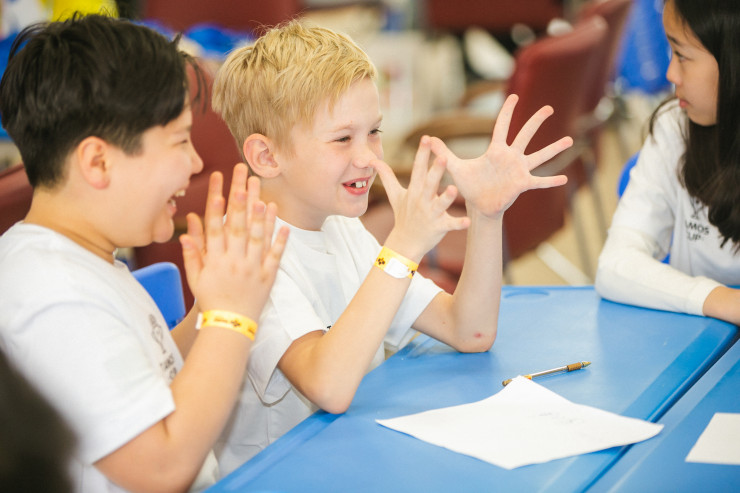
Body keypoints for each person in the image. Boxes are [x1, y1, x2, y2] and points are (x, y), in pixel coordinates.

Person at [210, 20, 571, 473]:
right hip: (281, 475)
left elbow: (469, 330)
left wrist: (485, 214)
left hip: (346, 457)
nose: (369, 157)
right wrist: (402, 248)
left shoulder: (338, 226)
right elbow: (328, 386)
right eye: (343, 139)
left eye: (374, 131)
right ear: (267, 156)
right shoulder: (248, 250)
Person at [0, 14, 288, 493]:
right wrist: (232, 317)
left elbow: (143, 374)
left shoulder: (81, 260)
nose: (196, 162)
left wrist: (208, 312)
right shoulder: (55, 298)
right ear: (97, 162)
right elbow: (161, 468)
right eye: (180, 141)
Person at [595, 0, 740, 324]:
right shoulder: (675, 127)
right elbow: (615, 265)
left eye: (682, 55)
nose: (671, 73)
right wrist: (722, 300)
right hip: (705, 342)